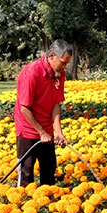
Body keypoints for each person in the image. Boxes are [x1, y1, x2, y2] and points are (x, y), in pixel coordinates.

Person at [13, 40, 73, 187]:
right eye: (63, 62)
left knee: (49, 169)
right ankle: (24, 204)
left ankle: (48, 203)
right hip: (28, 128)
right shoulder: (32, 73)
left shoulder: (59, 74)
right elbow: (24, 108)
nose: (65, 67)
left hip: (46, 128)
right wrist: (41, 132)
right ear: (51, 55)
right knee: (26, 172)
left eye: (67, 63)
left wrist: (58, 132)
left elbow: (55, 104)